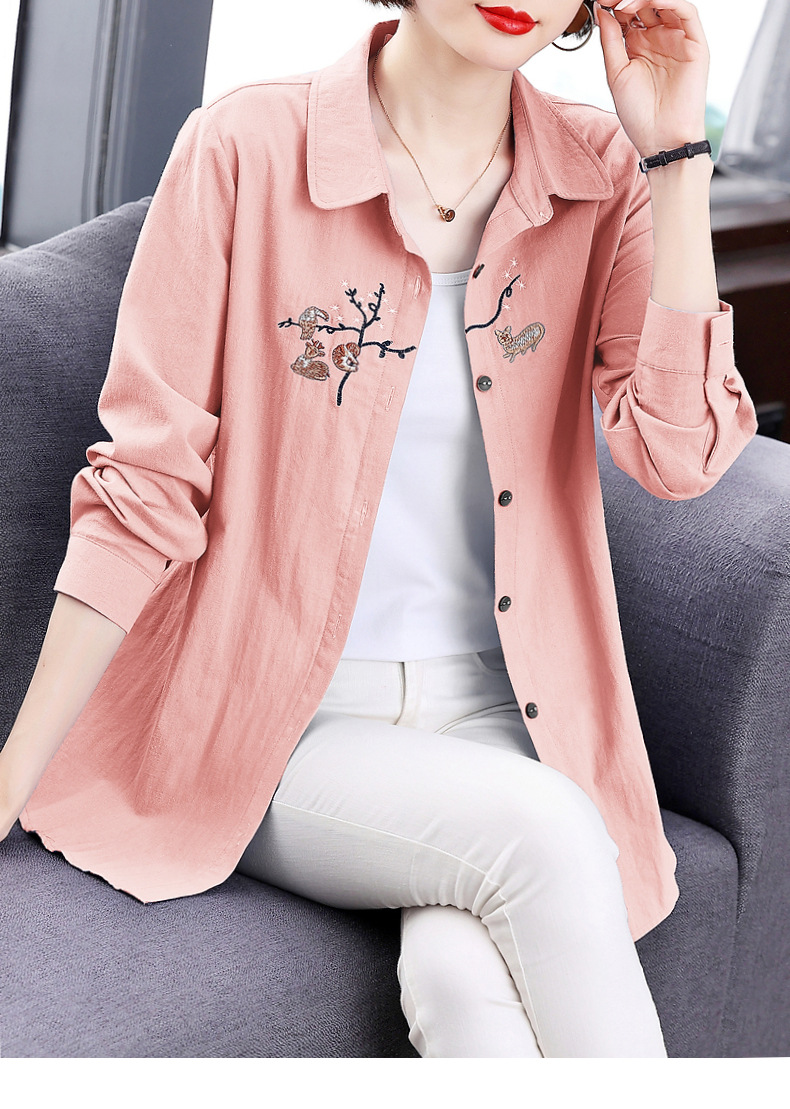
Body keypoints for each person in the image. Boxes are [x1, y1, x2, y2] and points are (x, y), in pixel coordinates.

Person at [0, 0, 758, 1058]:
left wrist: (673, 161)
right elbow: (143, 489)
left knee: (462, 986)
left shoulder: (598, 175)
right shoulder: (247, 147)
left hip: (507, 713)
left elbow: (679, 455)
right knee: (544, 832)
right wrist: (12, 771)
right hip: (277, 721)